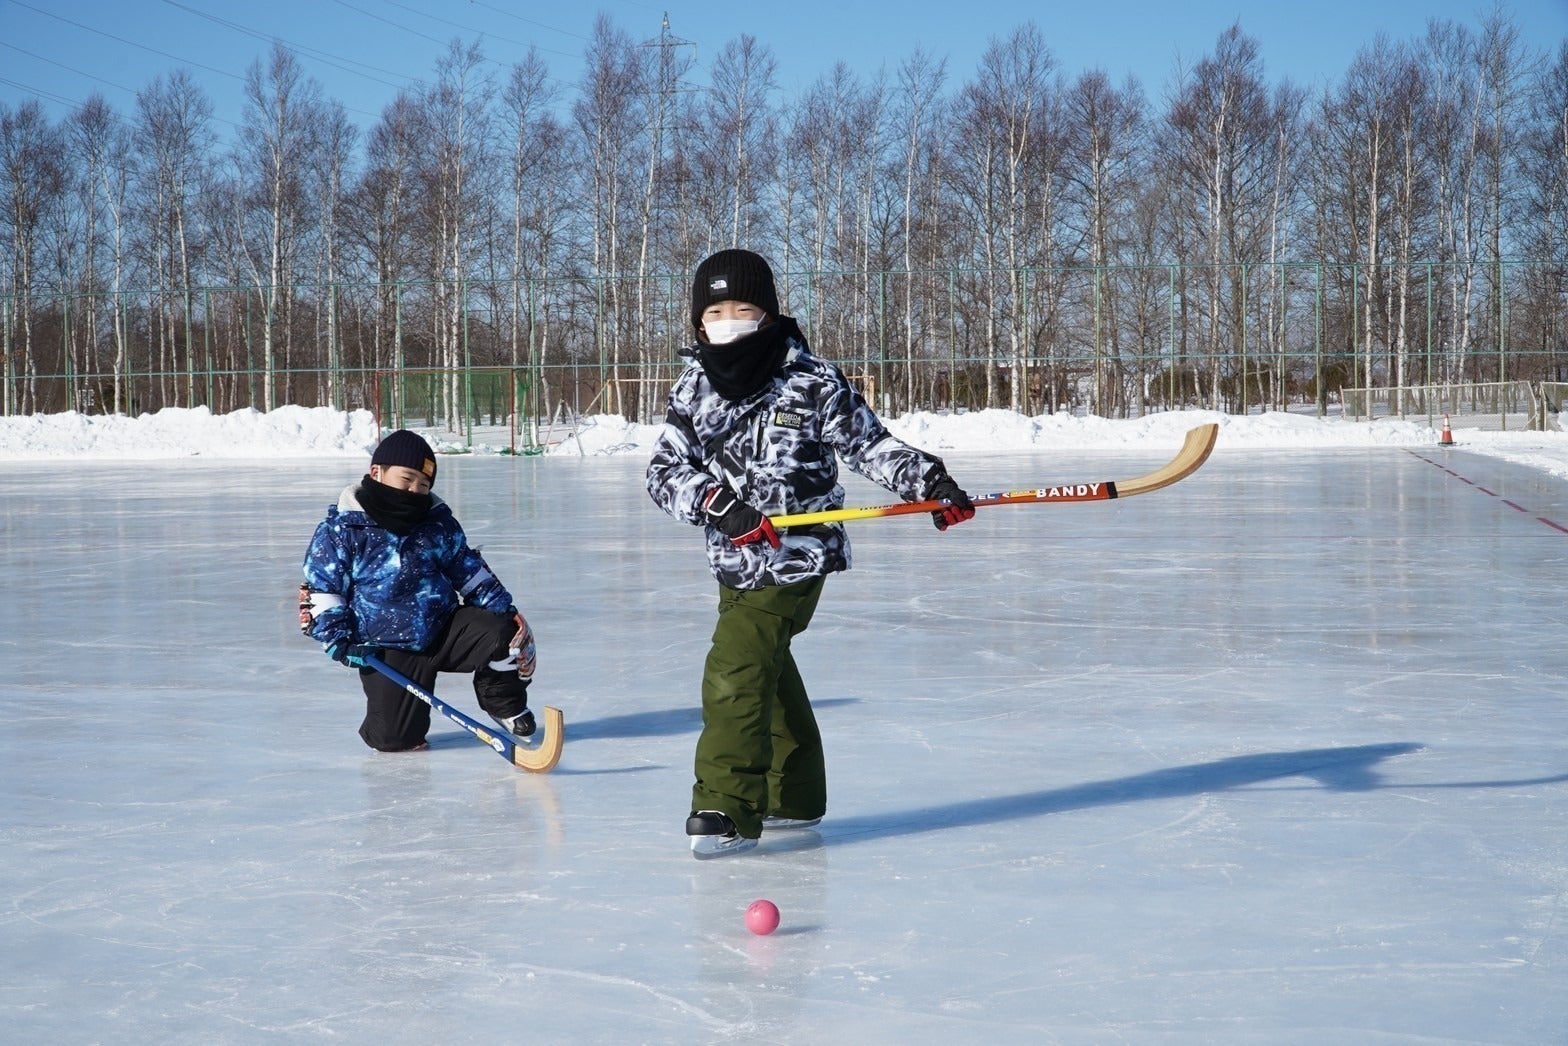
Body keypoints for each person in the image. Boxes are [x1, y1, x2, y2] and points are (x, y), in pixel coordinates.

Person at [646, 248, 976, 858]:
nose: (728, 322)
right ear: (698, 322)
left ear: (769, 314)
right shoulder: (694, 386)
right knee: (763, 667)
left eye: (742, 309)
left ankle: (725, 806)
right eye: (715, 312)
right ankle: (793, 794)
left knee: (736, 670)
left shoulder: (812, 380)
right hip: (734, 556)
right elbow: (664, 471)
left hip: (796, 555)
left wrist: (930, 483)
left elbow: (870, 446)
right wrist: (717, 503)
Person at [299, 429, 537, 752]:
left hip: (443, 629)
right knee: (395, 740)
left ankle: (502, 702)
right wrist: (338, 640)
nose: (414, 490)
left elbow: (468, 570)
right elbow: (323, 589)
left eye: (423, 484)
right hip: (387, 646)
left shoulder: (435, 523)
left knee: (504, 631)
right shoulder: (343, 529)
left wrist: (506, 612)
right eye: (407, 479)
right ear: (376, 472)